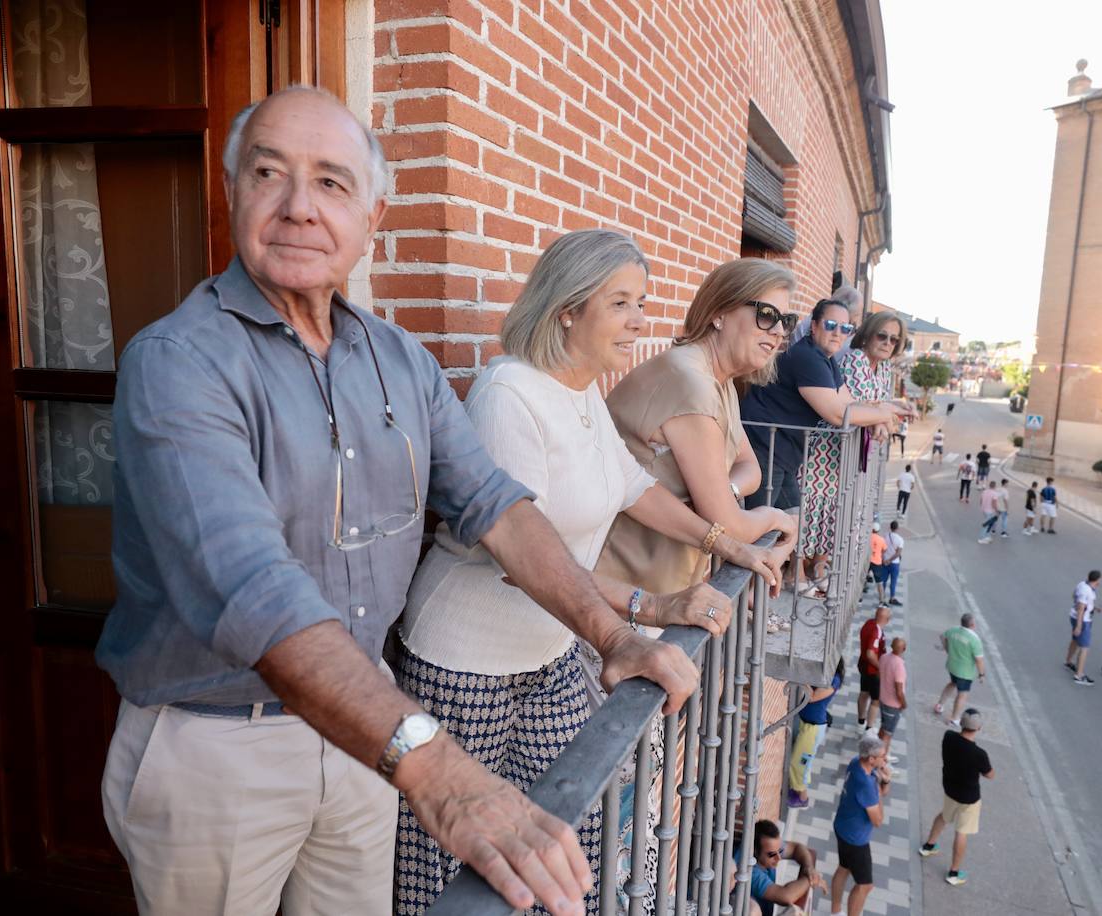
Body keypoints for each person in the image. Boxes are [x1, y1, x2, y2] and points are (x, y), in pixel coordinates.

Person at [94, 88, 694, 916]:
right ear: (233, 191)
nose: (299, 206)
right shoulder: (178, 361)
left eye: (332, 183)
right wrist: (444, 776)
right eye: (269, 173)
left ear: (373, 215)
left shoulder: (400, 360)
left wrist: (614, 635)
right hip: (217, 748)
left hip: (369, 732)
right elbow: (252, 589)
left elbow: (497, 506)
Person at [393, 230, 791, 914]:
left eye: (642, 302)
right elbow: (520, 559)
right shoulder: (511, 393)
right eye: (622, 303)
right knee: (449, 870)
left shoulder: (580, 392)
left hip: (549, 650)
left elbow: (635, 487)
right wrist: (652, 609)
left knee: (582, 833)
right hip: (466, 663)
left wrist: (726, 542)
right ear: (568, 309)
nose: (641, 321)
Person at [598, 258, 801, 599]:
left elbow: (750, 468)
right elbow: (730, 526)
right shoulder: (691, 383)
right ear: (718, 313)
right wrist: (774, 516)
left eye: (786, 321)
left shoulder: (718, 381)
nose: (779, 331)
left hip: (657, 581)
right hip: (620, 583)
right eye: (767, 315)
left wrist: (723, 493)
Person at [741, 298, 904, 512]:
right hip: (763, 449)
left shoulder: (825, 359)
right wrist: (884, 414)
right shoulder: (808, 357)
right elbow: (837, 415)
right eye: (830, 325)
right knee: (761, 528)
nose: (838, 333)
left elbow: (850, 402)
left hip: (781, 455)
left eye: (845, 328)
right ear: (815, 326)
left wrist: (879, 417)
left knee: (792, 523)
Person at [793, 307, 913, 592]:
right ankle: (797, 570)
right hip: (827, 444)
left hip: (849, 449)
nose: (887, 343)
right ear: (869, 335)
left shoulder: (884, 368)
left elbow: (878, 407)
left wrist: (884, 420)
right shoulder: (855, 360)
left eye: (894, 340)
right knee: (811, 505)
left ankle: (819, 565)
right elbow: (857, 407)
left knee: (834, 508)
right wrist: (884, 418)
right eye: (882, 336)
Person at [918, 709, 995, 887]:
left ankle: (928, 846)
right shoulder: (979, 754)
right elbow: (990, 774)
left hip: (950, 789)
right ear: (979, 728)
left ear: (961, 723)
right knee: (962, 832)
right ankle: (954, 872)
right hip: (969, 798)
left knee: (944, 816)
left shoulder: (949, 737)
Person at [829, 734, 893, 916]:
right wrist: (878, 793)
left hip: (842, 827)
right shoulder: (866, 785)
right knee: (865, 885)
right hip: (856, 839)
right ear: (871, 759)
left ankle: (835, 912)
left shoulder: (857, 762)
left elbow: (882, 790)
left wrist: (884, 782)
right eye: (882, 756)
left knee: (843, 868)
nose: (885, 759)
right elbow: (878, 821)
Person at [787, 659, 845, 808]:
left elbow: (812, 697)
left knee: (800, 763)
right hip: (807, 725)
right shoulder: (824, 675)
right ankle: (796, 791)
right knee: (801, 761)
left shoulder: (834, 680)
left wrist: (800, 678)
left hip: (813, 729)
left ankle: (802, 798)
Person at [742, 819, 826, 916]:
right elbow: (786, 896)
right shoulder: (749, 871)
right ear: (755, 851)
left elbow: (797, 848)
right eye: (772, 854)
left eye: (780, 851)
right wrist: (812, 878)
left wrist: (809, 867)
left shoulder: (769, 847)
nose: (778, 858)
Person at [934, 613, 985, 728]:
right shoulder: (974, 639)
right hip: (965, 672)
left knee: (952, 684)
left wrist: (947, 649)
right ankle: (954, 718)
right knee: (962, 694)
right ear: (972, 624)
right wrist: (981, 674)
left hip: (952, 666)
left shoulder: (953, 630)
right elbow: (979, 660)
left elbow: (942, 636)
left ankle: (939, 705)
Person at [857, 604, 890, 732]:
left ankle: (860, 722)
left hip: (863, 666)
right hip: (872, 670)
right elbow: (870, 653)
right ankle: (869, 728)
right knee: (876, 700)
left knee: (864, 693)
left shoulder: (869, 623)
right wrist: (881, 667)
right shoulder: (876, 632)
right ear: (887, 620)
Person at [1065, 570, 1102, 684]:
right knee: (1085, 647)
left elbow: (1074, 596)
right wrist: (1079, 626)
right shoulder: (1087, 591)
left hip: (1075, 616)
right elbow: (1081, 607)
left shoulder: (1082, 584)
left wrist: (1093, 607)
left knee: (1075, 640)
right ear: (1097, 580)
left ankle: (1068, 661)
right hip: (1083, 620)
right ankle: (1079, 675)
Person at [877, 638, 907, 765]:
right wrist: (903, 704)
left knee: (883, 728)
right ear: (904, 649)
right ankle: (882, 761)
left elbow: (879, 675)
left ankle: (875, 749)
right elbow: (899, 690)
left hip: (883, 699)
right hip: (892, 704)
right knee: (887, 735)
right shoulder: (899, 665)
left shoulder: (883, 657)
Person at [869, 523, 889, 604]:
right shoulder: (881, 539)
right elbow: (885, 549)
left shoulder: (868, 537)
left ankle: (859, 599)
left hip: (867, 560)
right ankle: (881, 600)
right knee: (879, 582)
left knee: (862, 580)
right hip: (877, 561)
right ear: (878, 530)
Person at [886, 520, 905, 607]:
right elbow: (898, 553)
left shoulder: (886, 536)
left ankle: (881, 599)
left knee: (883, 580)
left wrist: (886, 559)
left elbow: (883, 549)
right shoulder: (900, 539)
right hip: (894, 563)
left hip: (885, 562)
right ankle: (892, 598)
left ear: (890, 527)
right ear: (897, 528)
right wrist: (891, 560)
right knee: (893, 581)